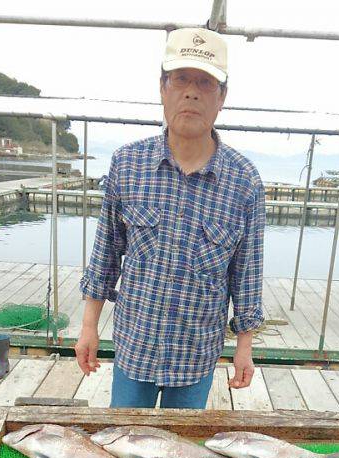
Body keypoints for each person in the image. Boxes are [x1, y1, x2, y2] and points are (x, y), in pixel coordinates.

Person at [75, 27, 265, 409]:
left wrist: (244, 346)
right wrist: (88, 326)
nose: (191, 92)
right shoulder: (126, 164)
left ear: (221, 97)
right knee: (125, 442)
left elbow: (246, 274)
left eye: (205, 82)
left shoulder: (245, 181)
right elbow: (105, 254)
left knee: (181, 452)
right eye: (180, 79)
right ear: (162, 88)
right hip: (135, 346)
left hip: (196, 356)